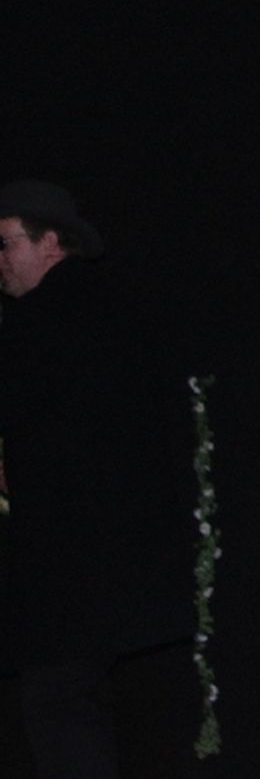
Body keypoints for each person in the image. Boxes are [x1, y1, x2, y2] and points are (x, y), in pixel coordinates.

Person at [0, 180, 194, 779]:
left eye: (6, 244)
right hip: (119, 565)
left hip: (73, 568)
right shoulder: (116, 310)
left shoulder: (43, 320)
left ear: (50, 243)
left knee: (56, 699)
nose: (0, 261)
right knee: (78, 699)